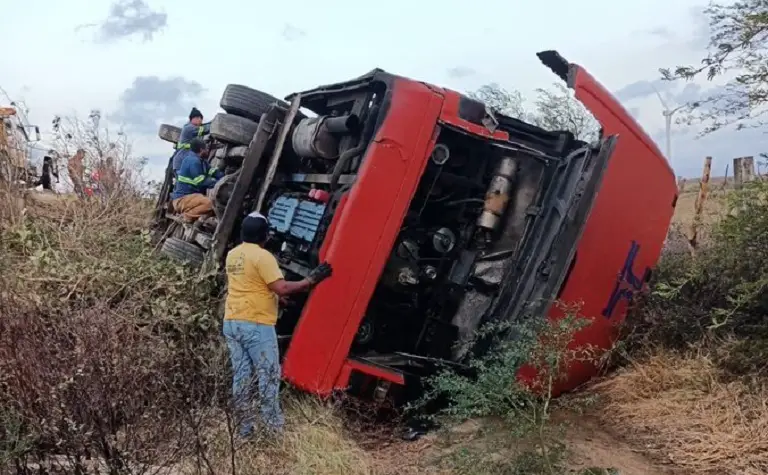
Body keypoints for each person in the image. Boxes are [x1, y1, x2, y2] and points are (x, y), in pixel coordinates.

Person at [223, 212, 332, 436]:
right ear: (265, 235)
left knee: (242, 376)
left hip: (233, 322)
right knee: (269, 375)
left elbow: (250, 283)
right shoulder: (263, 257)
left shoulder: (233, 255)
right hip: (256, 324)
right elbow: (281, 287)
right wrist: (310, 280)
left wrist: (275, 299)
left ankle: (242, 430)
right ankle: (273, 430)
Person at [170, 138, 221, 222]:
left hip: (190, 198)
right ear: (201, 150)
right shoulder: (193, 161)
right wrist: (217, 183)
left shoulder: (202, 161)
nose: (208, 150)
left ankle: (197, 218)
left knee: (212, 208)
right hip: (182, 199)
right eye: (206, 148)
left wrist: (224, 177)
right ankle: (186, 216)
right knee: (210, 204)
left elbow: (213, 171)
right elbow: (201, 181)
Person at [172, 107, 210, 175]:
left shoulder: (189, 128)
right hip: (181, 163)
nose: (200, 121)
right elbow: (205, 129)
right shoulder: (189, 128)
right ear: (193, 118)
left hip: (183, 162)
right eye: (199, 118)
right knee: (183, 184)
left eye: (201, 119)